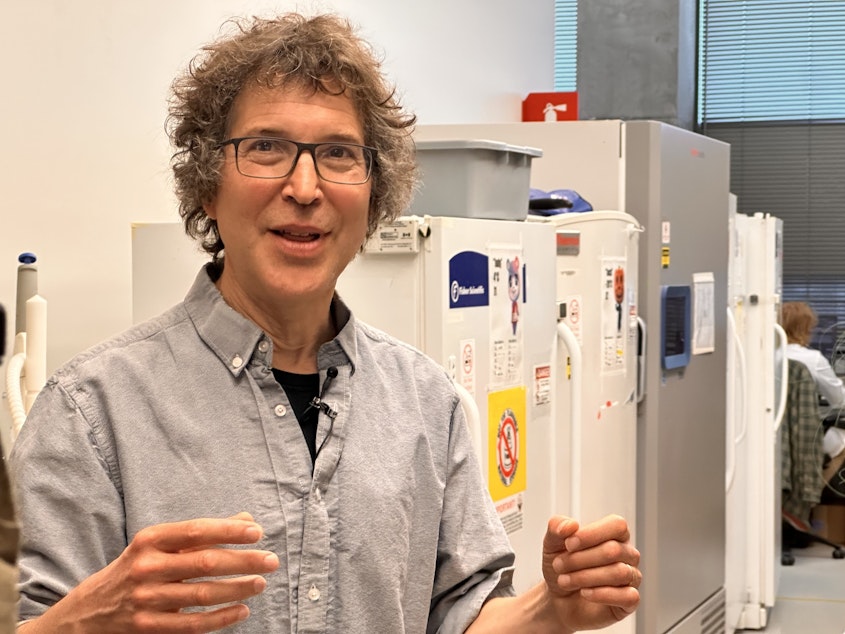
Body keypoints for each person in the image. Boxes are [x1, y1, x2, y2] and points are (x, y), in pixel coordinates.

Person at [10, 12, 640, 633]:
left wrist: (549, 610)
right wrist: (82, 623)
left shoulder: (427, 404)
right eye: (266, 148)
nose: (305, 187)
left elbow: (458, 616)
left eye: (338, 154)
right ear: (207, 183)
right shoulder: (91, 413)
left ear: (372, 196)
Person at [782, 301, 845, 456]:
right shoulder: (812, 359)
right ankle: (818, 479)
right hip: (804, 433)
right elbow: (840, 400)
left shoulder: (767, 356)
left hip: (777, 434)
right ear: (805, 329)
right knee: (841, 441)